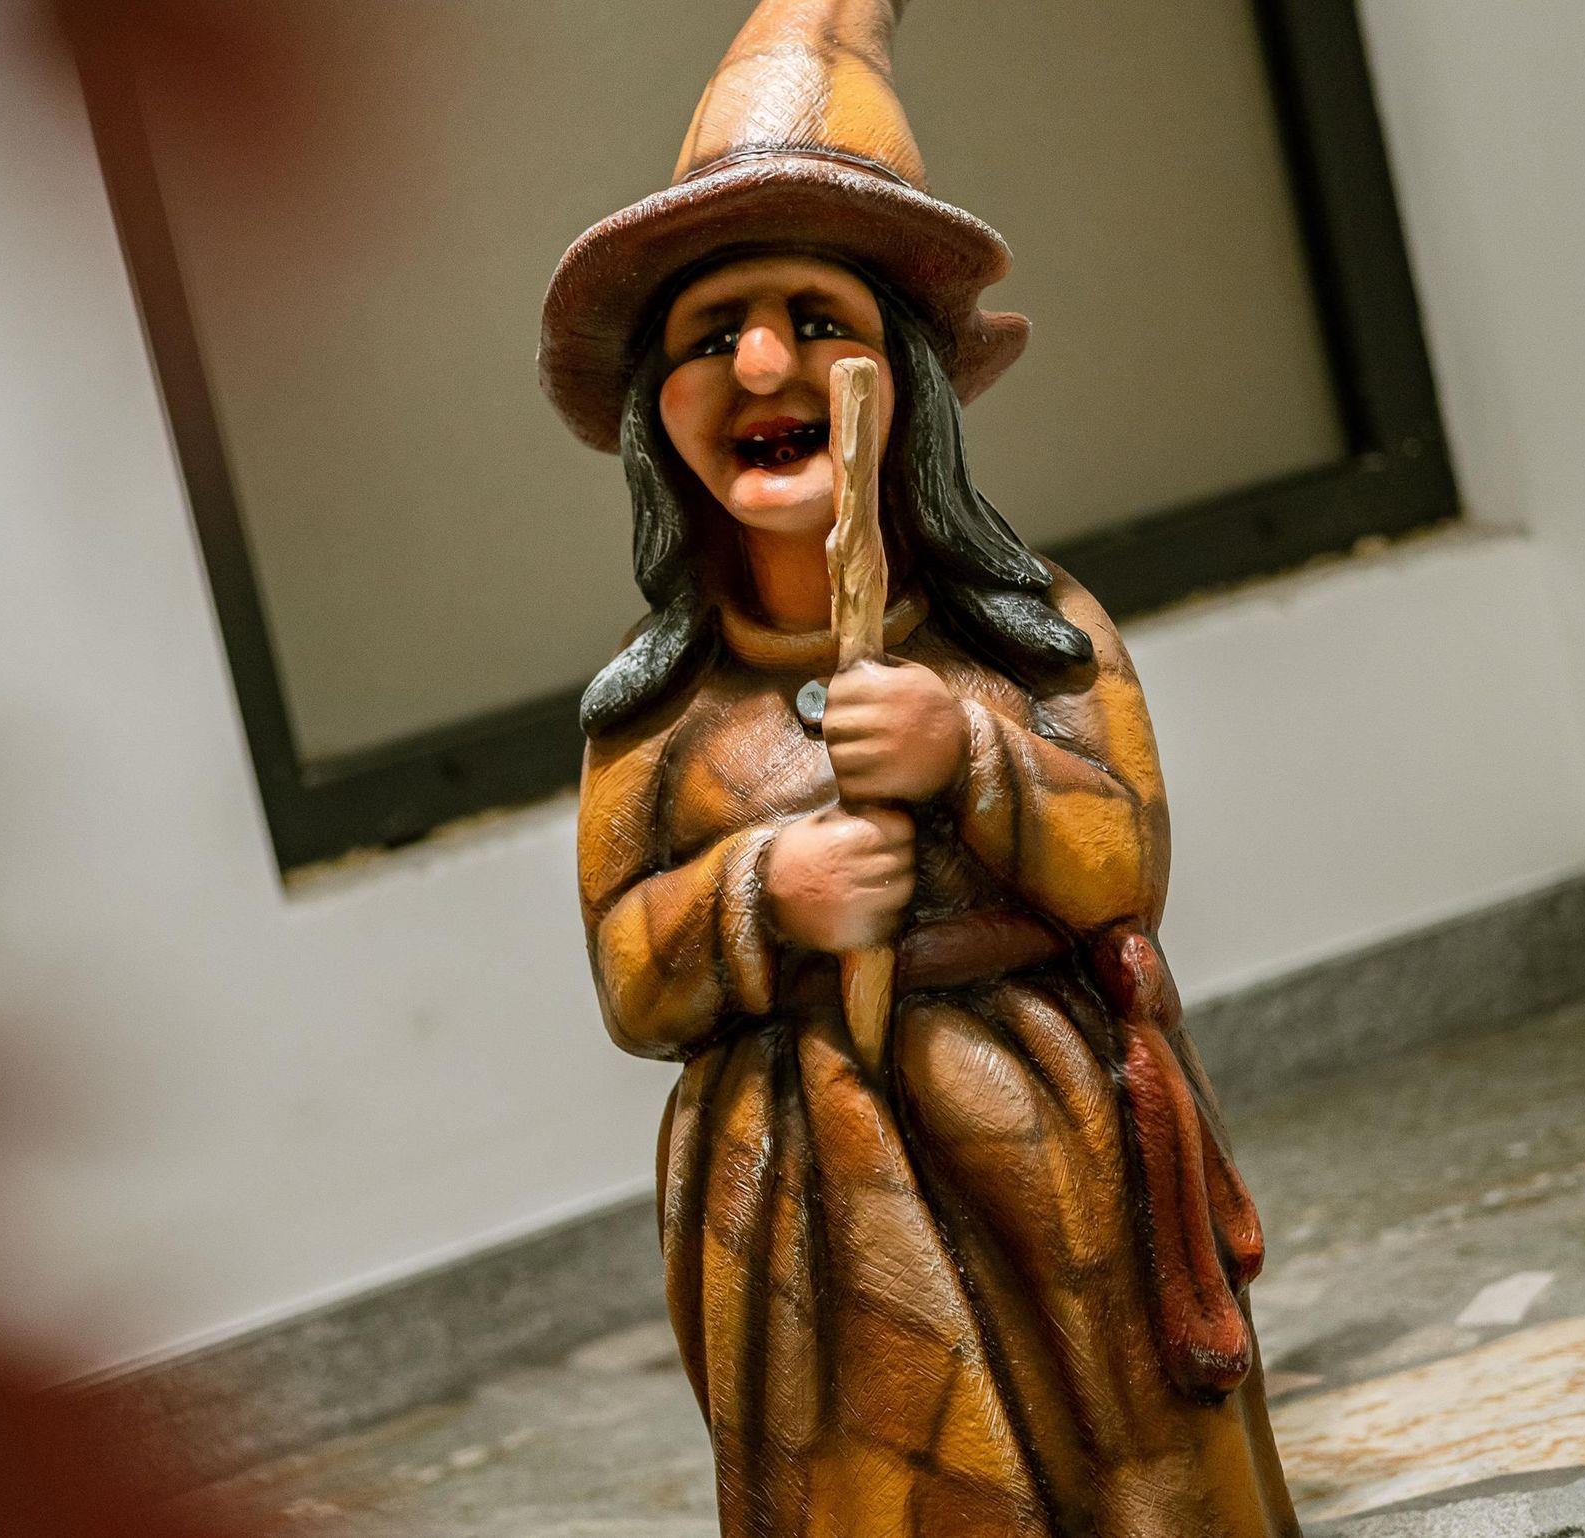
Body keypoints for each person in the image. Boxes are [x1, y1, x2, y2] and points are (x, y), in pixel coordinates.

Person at [540, 4, 1298, 1534]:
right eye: (710, 334)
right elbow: (631, 973)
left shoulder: (1038, 635)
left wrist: (971, 754)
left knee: (1122, 1464)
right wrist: (769, 887)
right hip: (804, 1217)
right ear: (652, 417)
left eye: (815, 318)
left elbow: (1124, 859)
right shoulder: (655, 711)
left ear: (907, 378)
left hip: (1050, 1153)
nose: (764, 362)